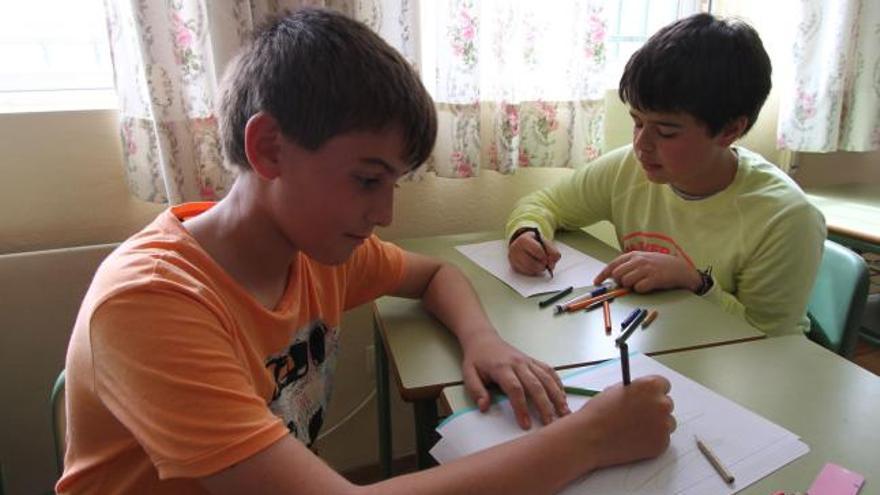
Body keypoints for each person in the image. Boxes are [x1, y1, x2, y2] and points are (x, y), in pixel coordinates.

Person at [57, 8, 675, 495]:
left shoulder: (311, 250)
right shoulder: (153, 305)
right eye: (367, 179)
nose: (384, 214)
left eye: (394, 184)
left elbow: (434, 274)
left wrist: (483, 341)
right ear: (269, 149)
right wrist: (590, 439)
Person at [507, 13, 825, 337]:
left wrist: (696, 283)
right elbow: (546, 203)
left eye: (667, 131)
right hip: (661, 345)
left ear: (730, 130)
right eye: (637, 122)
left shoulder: (786, 217)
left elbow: (770, 338)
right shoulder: (629, 168)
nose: (641, 145)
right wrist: (526, 233)